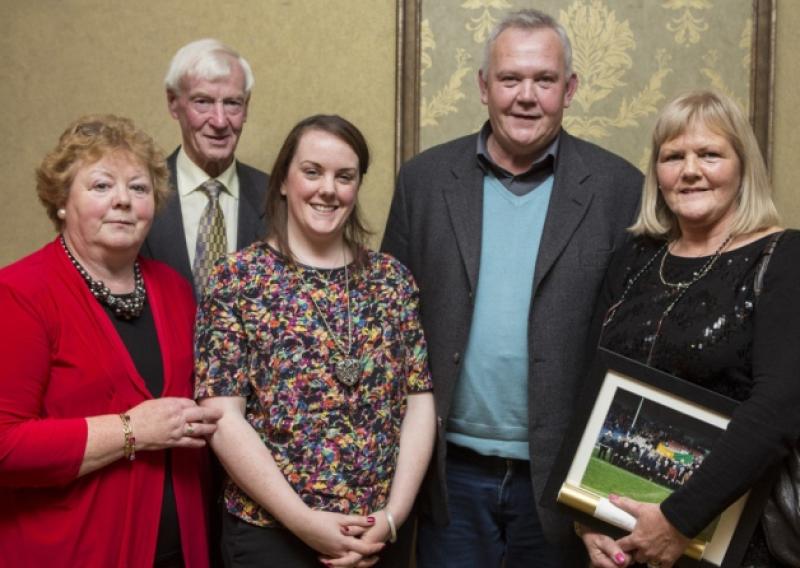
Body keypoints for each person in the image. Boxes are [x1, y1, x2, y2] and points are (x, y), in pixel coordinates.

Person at [381, 8, 643, 567]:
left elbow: (634, 349)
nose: (527, 96)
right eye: (510, 79)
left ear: (569, 89)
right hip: (449, 474)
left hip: (559, 483)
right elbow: (388, 332)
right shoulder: (423, 182)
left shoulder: (621, 190)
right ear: (483, 86)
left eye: (544, 80)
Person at [195, 114, 436, 568]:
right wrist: (304, 521)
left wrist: (393, 516)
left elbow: (419, 404)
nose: (328, 189)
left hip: (377, 537)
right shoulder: (237, 279)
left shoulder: (392, 280)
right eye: (312, 172)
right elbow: (222, 417)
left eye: (344, 177)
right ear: (284, 180)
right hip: (271, 537)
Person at [578, 90, 800, 568]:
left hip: (738, 544)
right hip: (625, 541)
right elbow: (593, 386)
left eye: (710, 154)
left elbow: (780, 406)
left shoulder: (785, 258)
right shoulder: (635, 258)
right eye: (673, 156)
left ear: (743, 167)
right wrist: (585, 516)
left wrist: (678, 520)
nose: (690, 170)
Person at [0, 115, 222, 567]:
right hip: (72, 549)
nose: (123, 200)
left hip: (180, 548)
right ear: (62, 201)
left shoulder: (175, 290)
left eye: (138, 189)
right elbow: (5, 445)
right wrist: (132, 430)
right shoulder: (20, 293)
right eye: (101, 186)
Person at [142, 38, 269, 297]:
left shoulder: (277, 198)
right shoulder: (140, 193)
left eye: (233, 103)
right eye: (203, 102)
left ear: (246, 108)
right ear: (173, 102)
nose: (220, 121)